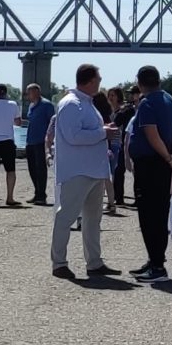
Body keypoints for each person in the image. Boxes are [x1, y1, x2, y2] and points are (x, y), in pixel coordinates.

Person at [48, 64, 115, 279]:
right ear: (91, 81)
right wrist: (103, 133)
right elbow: (73, 136)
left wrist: (102, 133)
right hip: (77, 170)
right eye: (98, 78)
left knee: (93, 219)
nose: (101, 82)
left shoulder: (86, 103)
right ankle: (59, 263)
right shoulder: (71, 104)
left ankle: (94, 262)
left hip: (93, 170)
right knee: (66, 216)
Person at [125, 66, 172, 278]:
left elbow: (152, 134)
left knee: (149, 216)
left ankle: (157, 266)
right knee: (160, 212)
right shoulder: (169, 100)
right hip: (163, 164)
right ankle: (155, 259)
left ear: (139, 83)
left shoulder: (146, 103)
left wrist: (166, 156)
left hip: (150, 164)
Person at [21, 83, 52, 206]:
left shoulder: (46, 105)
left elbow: (52, 122)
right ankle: (37, 192)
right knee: (32, 168)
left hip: (41, 141)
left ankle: (42, 195)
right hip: (30, 141)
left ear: (37, 92)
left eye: (29, 92)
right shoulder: (31, 105)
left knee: (41, 169)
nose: (27, 95)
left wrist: (50, 141)